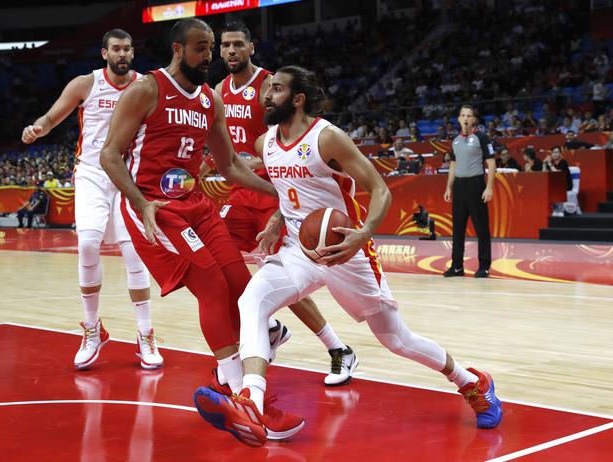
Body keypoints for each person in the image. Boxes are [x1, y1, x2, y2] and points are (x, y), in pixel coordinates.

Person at [193, 66, 502, 447]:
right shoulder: (266, 142)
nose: (266, 96)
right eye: (267, 89)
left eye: (275, 90)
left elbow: (380, 189)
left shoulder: (328, 138)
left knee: (396, 339)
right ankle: (251, 401)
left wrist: (363, 235)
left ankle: (473, 383)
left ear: (297, 98)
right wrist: (276, 220)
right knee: (252, 300)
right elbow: (287, 188)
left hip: (346, 251)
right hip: (300, 251)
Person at [99, 18, 303, 437]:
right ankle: (240, 394)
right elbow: (109, 156)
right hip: (156, 209)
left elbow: (227, 165)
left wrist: (278, 191)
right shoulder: (147, 89)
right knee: (210, 287)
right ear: (177, 49)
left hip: (198, 206)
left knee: (242, 289)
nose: (209, 55)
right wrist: (141, 203)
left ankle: (242, 377)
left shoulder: (211, 99)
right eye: (200, 48)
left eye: (210, 47)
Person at [201, 20, 356, 386]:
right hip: (241, 193)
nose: (231, 51)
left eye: (239, 44)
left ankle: (337, 348)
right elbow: (224, 143)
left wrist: (266, 166)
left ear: (252, 47)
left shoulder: (270, 87)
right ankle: (267, 329)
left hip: (282, 194)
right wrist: (207, 162)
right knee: (213, 262)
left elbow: (298, 134)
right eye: (226, 46)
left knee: (284, 279)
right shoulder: (219, 89)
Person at [21, 28, 164, 370]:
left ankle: (145, 334)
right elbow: (53, 116)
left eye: (127, 49)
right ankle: (92, 329)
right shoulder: (85, 84)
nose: (123, 55)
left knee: (134, 252)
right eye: (116, 49)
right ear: (104, 53)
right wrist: (37, 128)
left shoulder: (146, 85)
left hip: (129, 176)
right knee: (87, 245)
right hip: (91, 174)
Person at [443, 105, 496, 278]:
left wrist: (488, 188)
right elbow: (453, 164)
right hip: (459, 187)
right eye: (463, 115)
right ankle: (457, 266)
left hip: (476, 185)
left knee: (481, 229)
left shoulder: (482, 137)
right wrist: (449, 187)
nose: (466, 118)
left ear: (474, 120)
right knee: (458, 228)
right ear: (458, 119)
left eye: (469, 116)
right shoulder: (455, 140)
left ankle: (484, 266)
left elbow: (492, 163)